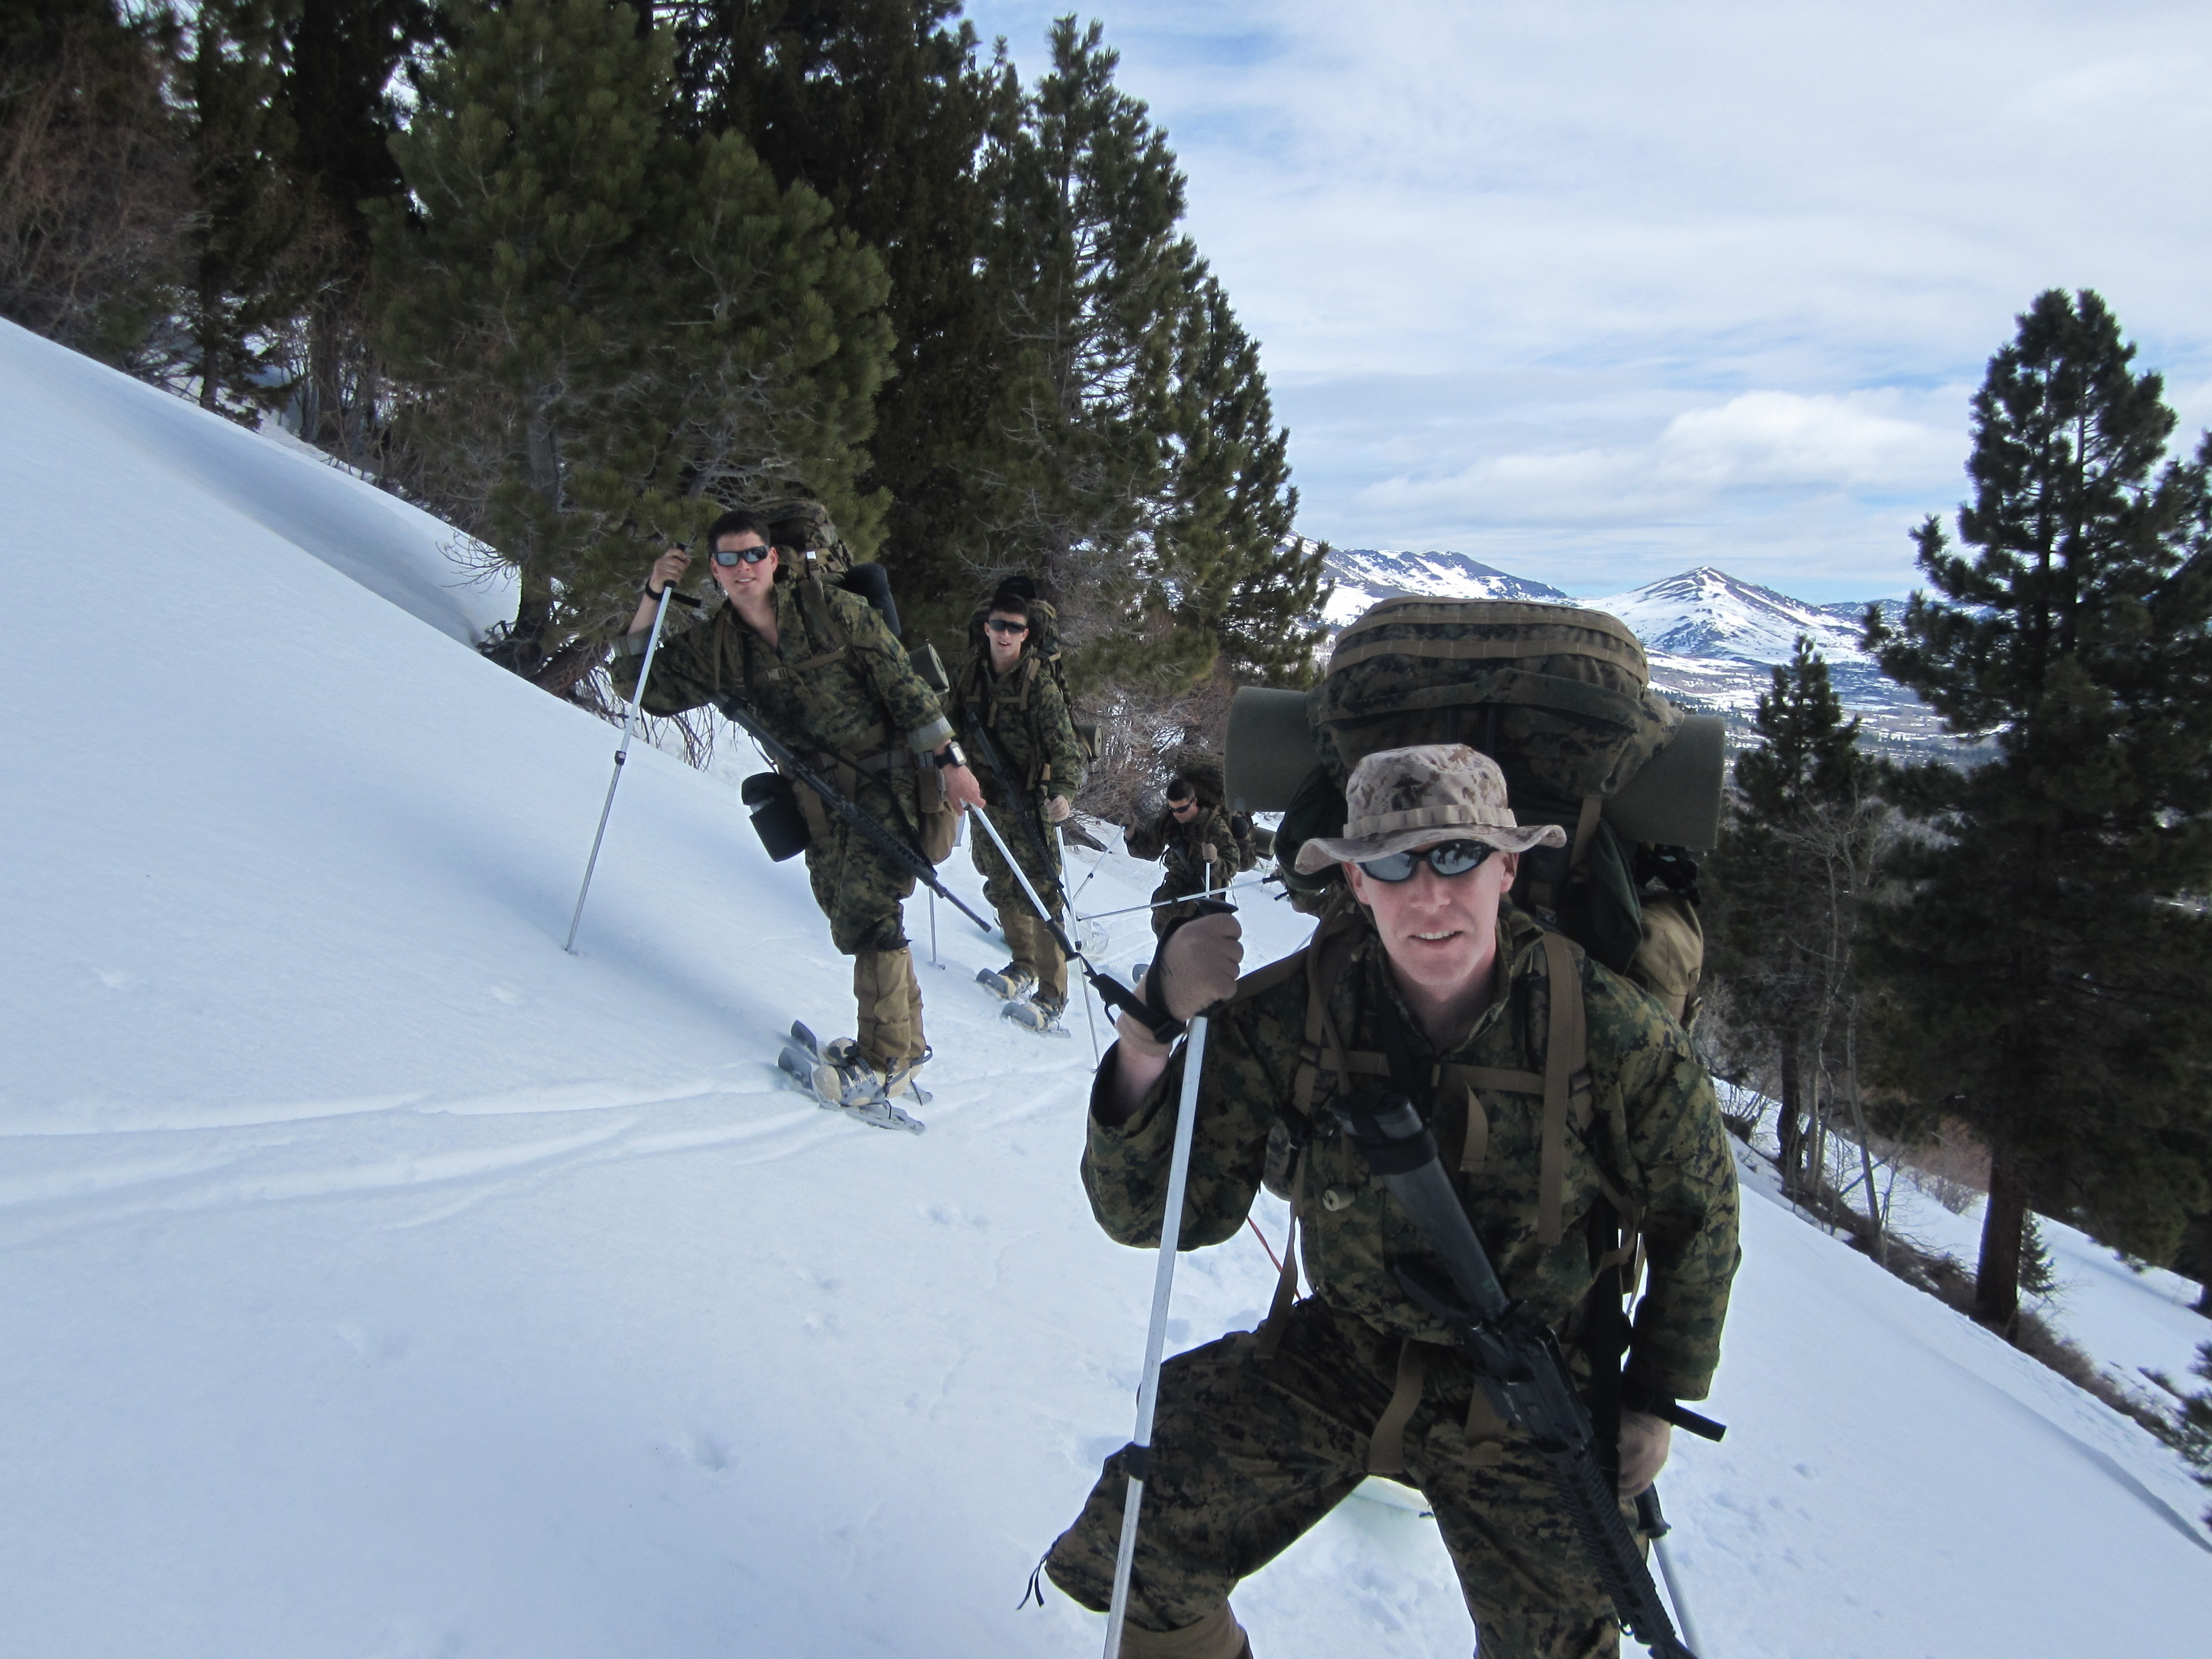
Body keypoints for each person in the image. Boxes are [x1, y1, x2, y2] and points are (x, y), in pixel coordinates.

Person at [1044, 744, 1740, 1659]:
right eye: (1391, 863)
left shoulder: (1609, 1033)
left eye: (1455, 856)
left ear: (1506, 868)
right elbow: (1155, 1215)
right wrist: (1150, 1031)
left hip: (1534, 1389)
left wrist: (1654, 1395)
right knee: (1143, 1536)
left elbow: (1701, 1219)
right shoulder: (1298, 1012)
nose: (1429, 894)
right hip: (1344, 1351)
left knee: (1567, 1633)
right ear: (1357, 885)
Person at [611, 510, 984, 1106]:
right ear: (713, 569)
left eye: (754, 555)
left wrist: (953, 764)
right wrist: (655, 592)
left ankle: (882, 1060)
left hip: (884, 780)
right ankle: (906, 1048)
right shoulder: (720, 646)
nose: (743, 569)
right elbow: (640, 686)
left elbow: (904, 687)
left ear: (773, 559)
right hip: (815, 794)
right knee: (849, 914)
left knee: (868, 909)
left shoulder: (830, 610)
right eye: (729, 560)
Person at [959, 583, 1087, 1033]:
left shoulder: (1039, 687)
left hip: (1030, 801)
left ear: (1027, 634)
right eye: (998, 625)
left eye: (1015, 628)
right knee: (1001, 879)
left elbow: (1065, 749)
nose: (1005, 635)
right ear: (987, 627)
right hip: (986, 799)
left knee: (1042, 892)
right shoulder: (971, 675)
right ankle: (1023, 963)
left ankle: (1053, 994)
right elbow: (950, 721)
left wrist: (1064, 793)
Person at [1124, 774, 1240, 939]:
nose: (1177, 814)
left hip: (1206, 891)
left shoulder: (1213, 825)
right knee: (1163, 926)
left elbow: (1234, 863)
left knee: (1196, 941)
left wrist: (1215, 861)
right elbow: (1150, 851)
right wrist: (1131, 835)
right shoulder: (1169, 820)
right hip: (1176, 886)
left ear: (1194, 802)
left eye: (1182, 809)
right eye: (1173, 809)